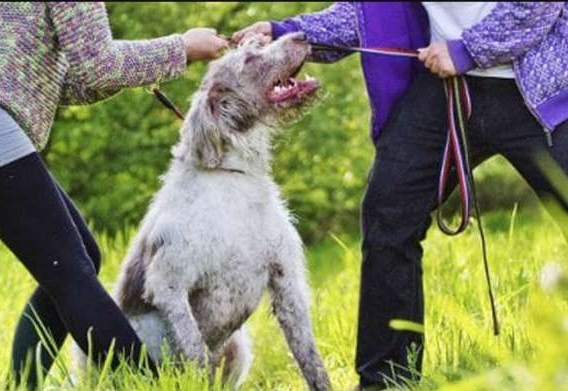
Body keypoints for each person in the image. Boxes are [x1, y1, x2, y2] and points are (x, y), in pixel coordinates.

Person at [235, 2, 568, 390]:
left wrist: (467, 51)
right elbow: (371, 11)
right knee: (387, 217)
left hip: (538, 85)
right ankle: (387, 380)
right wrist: (285, 34)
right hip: (442, 86)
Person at [0, 2, 228, 389]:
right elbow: (98, 65)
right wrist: (181, 47)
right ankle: (154, 385)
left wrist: (156, 60)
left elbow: (64, 81)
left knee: (79, 258)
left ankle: (22, 385)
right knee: (72, 273)